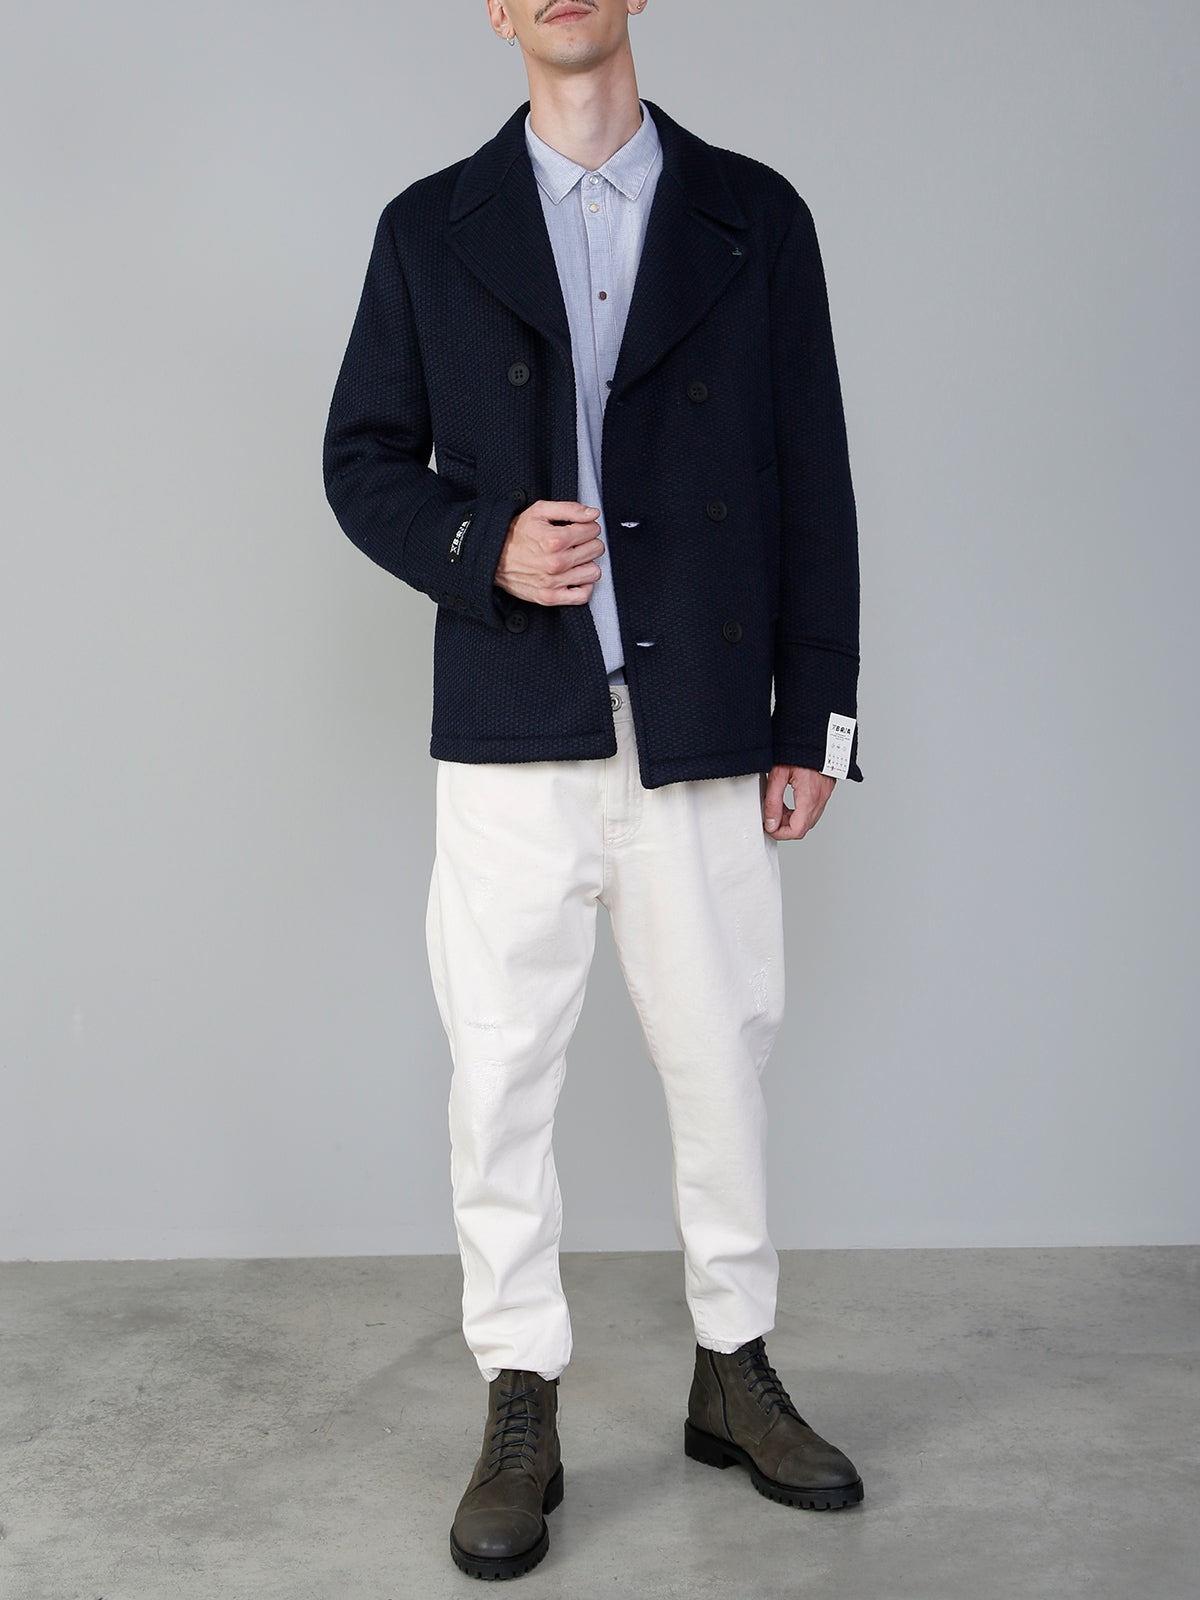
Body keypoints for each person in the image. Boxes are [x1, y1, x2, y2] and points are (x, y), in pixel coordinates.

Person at [324, 0, 864, 1580]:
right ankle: (520, 1395)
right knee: (499, 1074)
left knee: (724, 1057)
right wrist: (477, 546)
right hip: (514, 724)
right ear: (496, 10)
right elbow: (362, 458)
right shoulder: (429, 227)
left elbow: (815, 475)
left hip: (707, 719)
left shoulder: (756, 215)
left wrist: (817, 720)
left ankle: (734, 1367)